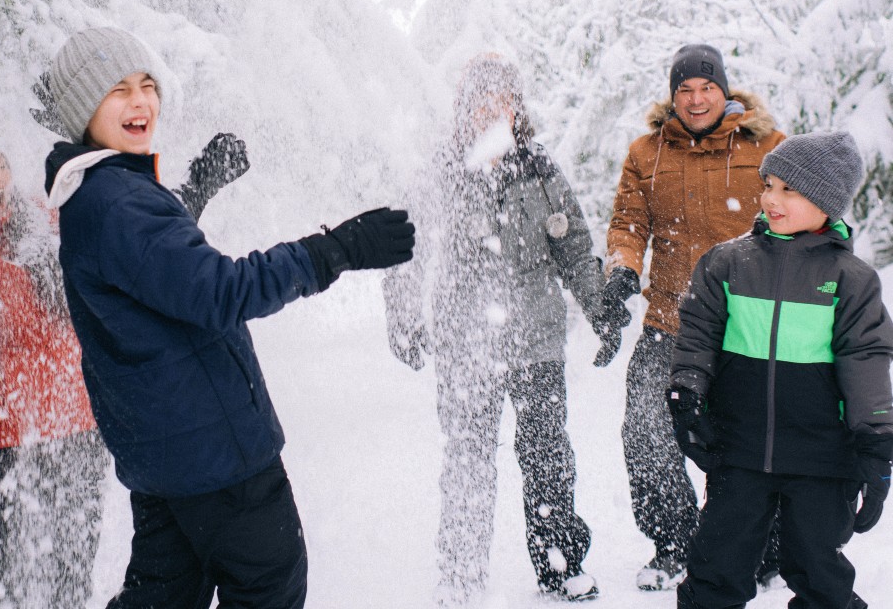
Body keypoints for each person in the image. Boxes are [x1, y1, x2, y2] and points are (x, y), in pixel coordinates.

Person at [42, 25, 415, 609]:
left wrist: (196, 188)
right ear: (84, 108)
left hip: (168, 451)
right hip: (213, 453)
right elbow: (218, 291)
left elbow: (160, 275)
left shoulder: (99, 194)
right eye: (118, 90)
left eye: (147, 84)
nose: (141, 101)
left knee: (163, 595)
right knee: (269, 584)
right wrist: (339, 249)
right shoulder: (118, 202)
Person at [0, 95, 247, 609]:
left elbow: (131, 234)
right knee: (7, 574)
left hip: (81, 421)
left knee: (71, 569)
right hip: (8, 434)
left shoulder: (47, 222)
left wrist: (199, 184)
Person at [383, 54, 605, 605]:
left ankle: (560, 564)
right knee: (468, 459)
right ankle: (460, 577)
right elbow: (404, 248)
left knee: (547, 454)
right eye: (479, 99)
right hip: (467, 342)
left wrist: (600, 308)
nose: (490, 109)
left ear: (515, 106)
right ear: (464, 108)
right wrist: (406, 319)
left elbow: (574, 246)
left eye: (500, 98)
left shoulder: (538, 168)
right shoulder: (444, 170)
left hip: (536, 339)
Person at [668, 131, 893, 609]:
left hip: (822, 460)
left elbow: (867, 361)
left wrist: (876, 446)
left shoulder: (851, 280)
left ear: (826, 202)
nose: (771, 198)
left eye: (789, 189)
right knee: (715, 569)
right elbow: (698, 334)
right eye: (768, 184)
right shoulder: (728, 263)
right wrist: (686, 394)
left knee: (819, 576)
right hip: (740, 451)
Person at [592, 43, 785, 591]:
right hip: (670, 322)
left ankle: (757, 545)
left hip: (746, 324)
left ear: (725, 90)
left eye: (707, 88)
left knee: (746, 439)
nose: (696, 99)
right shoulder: (646, 153)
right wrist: (624, 269)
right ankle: (674, 542)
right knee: (646, 430)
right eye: (685, 89)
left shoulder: (767, 147)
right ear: (672, 96)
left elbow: (799, 218)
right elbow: (628, 225)